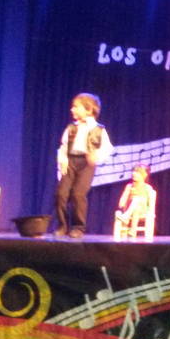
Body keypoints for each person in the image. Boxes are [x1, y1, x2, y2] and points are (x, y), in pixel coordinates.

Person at [56, 93, 113, 238]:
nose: (72, 109)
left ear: (88, 110)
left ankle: (78, 227)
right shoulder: (71, 128)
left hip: (86, 163)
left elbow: (107, 149)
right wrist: (63, 160)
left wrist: (96, 156)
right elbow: (63, 147)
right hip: (70, 161)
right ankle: (63, 225)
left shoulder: (99, 129)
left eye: (76, 107)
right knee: (61, 193)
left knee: (78, 194)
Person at [115, 164, 155, 235]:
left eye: (137, 172)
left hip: (142, 211)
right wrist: (122, 203)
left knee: (137, 200)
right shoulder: (129, 186)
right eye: (133, 171)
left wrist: (151, 213)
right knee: (136, 208)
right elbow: (123, 198)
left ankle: (126, 217)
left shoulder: (147, 188)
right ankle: (132, 230)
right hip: (129, 209)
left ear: (144, 175)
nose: (134, 173)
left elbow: (151, 203)